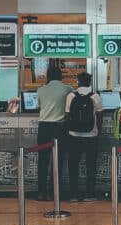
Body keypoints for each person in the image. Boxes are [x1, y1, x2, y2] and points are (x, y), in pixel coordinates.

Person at [35, 60, 73, 201]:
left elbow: (40, 107)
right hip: (59, 128)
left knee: (42, 161)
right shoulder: (68, 89)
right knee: (57, 160)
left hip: (43, 127)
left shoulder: (41, 89)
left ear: (48, 76)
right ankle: (53, 192)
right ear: (61, 76)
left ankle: (41, 192)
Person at [65, 71, 102, 202]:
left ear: (78, 82)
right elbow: (99, 116)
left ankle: (73, 194)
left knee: (73, 165)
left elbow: (67, 115)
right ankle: (89, 194)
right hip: (91, 135)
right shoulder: (95, 96)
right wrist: (97, 131)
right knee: (90, 166)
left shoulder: (71, 96)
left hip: (74, 135)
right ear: (90, 82)